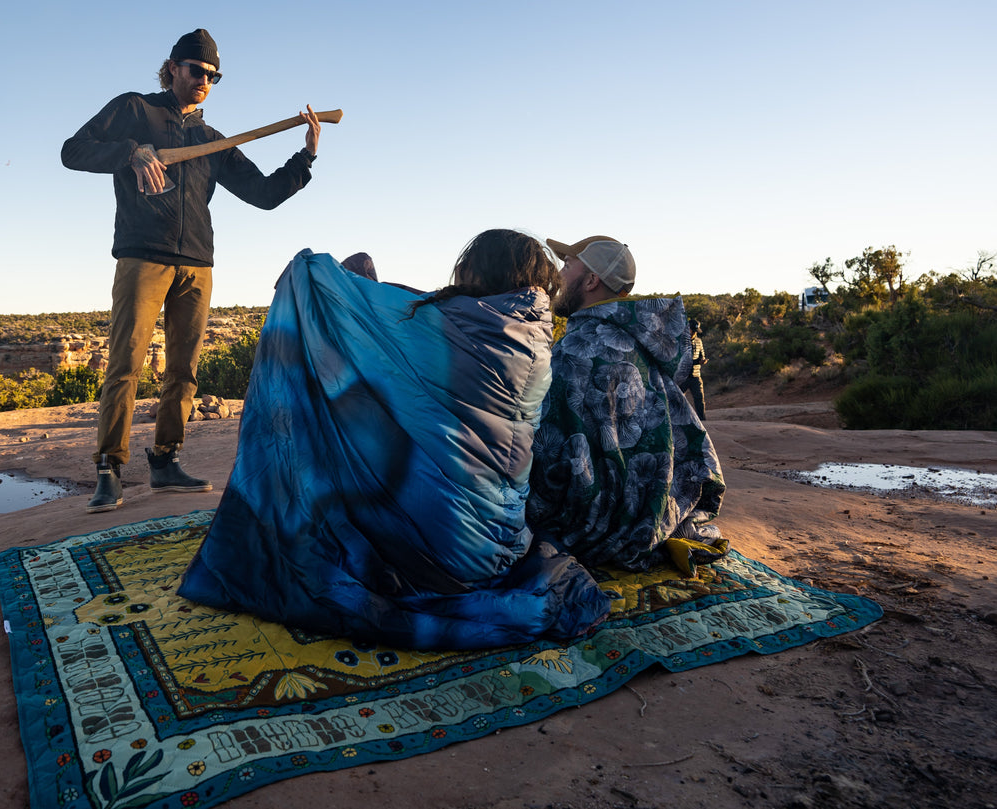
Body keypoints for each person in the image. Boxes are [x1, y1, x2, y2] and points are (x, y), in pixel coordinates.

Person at [178, 230, 611, 650]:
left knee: (356, 422)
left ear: (477, 272)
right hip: (495, 551)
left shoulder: (443, 324)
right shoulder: (536, 338)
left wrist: (309, 276)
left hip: (436, 559)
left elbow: (373, 320)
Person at [61, 29, 323, 512]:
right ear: (173, 68)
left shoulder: (211, 141)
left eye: (213, 75)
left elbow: (263, 195)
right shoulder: (135, 110)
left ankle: (165, 460)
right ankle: (109, 469)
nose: (205, 80)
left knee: (183, 370)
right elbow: (72, 151)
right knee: (126, 364)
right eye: (197, 70)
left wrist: (305, 156)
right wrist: (131, 151)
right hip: (142, 255)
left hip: (197, 263)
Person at [527, 236, 729, 574]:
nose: (558, 275)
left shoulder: (574, 350)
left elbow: (545, 454)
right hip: (653, 515)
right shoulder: (643, 344)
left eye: (567, 265)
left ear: (591, 280)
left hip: (590, 528)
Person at [682, 319, 708, 419]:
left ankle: (703, 421)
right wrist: (698, 362)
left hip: (696, 376)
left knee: (700, 400)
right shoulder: (680, 341)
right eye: (692, 330)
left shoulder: (699, 341)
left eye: (694, 331)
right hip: (682, 377)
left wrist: (703, 360)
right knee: (676, 400)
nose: (693, 333)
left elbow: (702, 355)